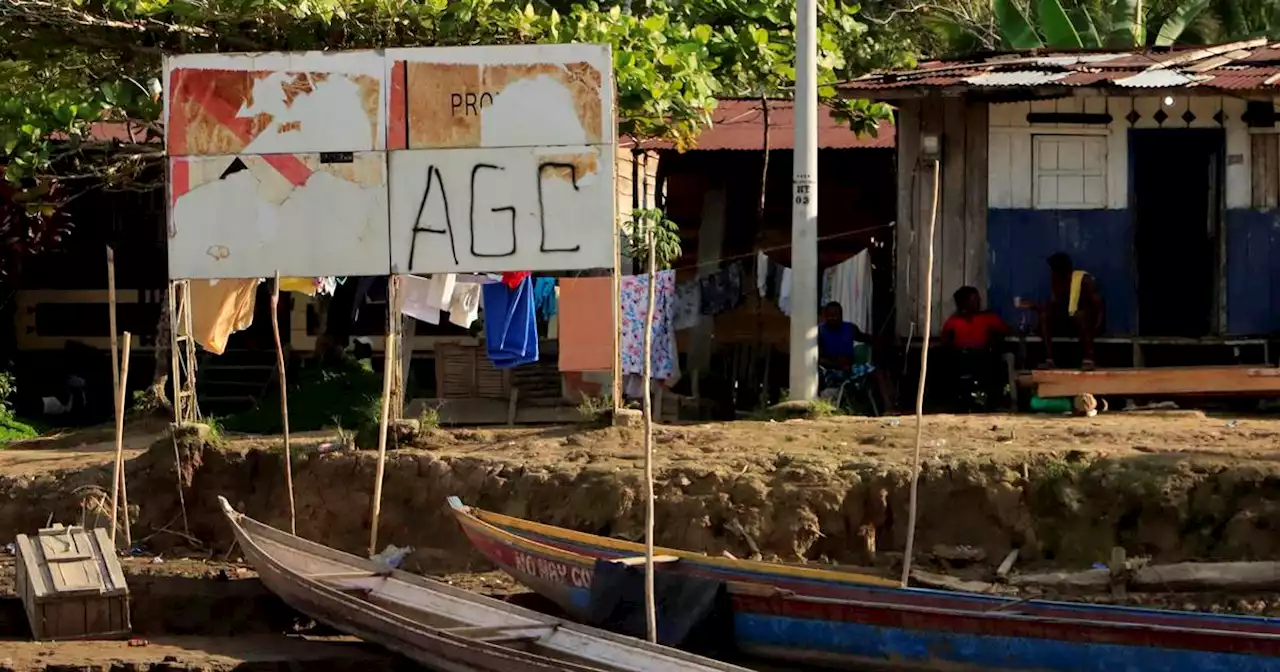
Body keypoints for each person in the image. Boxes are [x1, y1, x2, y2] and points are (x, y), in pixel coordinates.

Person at [1018, 252, 1104, 370]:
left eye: (1054, 270)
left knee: (1080, 315)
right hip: (1067, 321)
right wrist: (1035, 306)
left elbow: (1098, 307)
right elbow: (1054, 305)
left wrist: (1097, 326)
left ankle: (1089, 358)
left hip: (1085, 323)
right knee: (1045, 316)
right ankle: (1049, 359)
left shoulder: (1085, 280)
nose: (1052, 273)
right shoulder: (1057, 281)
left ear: (1061, 270)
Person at [939, 286, 1009, 410]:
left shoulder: (988, 318)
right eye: (974, 299)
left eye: (978, 299)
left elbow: (1004, 331)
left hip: (983, 359)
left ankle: (994, 402)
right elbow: (946, 343)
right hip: (960, 361)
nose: (978, 302)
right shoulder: (953, 322)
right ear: (963, 302)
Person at [818, 301, 870, 373]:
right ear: (825, 316)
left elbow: (865, 338)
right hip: (828, 371)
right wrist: (836, 364)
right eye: (830, 316)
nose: (832, 318)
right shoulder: (820, 331)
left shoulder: (850, 328)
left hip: (850, 369)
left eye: (835, 315)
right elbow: (817, 359)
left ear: (841, 315)